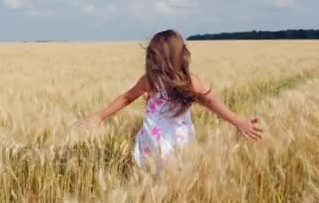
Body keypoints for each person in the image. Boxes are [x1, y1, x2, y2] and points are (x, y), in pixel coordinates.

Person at [78, 29, 263, 170]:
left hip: (169, 143)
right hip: (159, 144)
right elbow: (127, 98)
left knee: (165, 181)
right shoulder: (154, 80)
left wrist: (238, 121)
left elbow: (211, 101)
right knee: (159, 180)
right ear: (181, 56)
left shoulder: (182, 82)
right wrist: (99, 116)